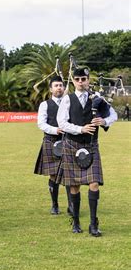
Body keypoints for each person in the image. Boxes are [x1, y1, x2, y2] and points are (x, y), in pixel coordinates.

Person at [56, 68, 117, 236]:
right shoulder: (67, 99)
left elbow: (114, 114)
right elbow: (61, 122)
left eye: (83, 78)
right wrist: (80, 129)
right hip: (72, 145)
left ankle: (93, 223)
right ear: (73, 81)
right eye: (77, 79)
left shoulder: (98, 98)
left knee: (94, 183)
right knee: (74, 185)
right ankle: (75, 221)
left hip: (91, 146)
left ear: (88, 80)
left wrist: (104, 121)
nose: (81, 81)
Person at [34, 76, 72, 215]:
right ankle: (55, 205)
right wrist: (55, 130)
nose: (59, 88)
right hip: (51, 140)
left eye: (61, 85)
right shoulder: (45, 105)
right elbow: (41, 123)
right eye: (56, 85)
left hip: (68, 142)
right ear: (51, 89)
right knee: (53, 175)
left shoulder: (69, 103)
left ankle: (71, 206)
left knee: (69, 174)